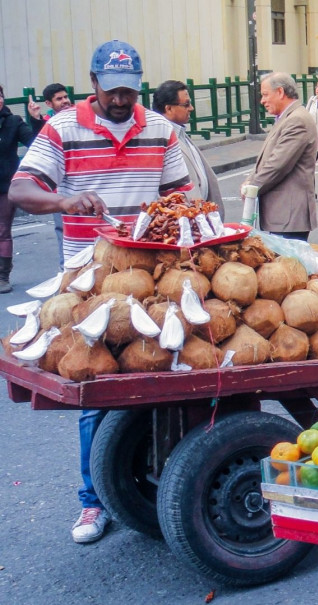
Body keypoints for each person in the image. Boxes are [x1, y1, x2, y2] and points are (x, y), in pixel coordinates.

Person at [10, 39, 191, 544]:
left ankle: (159, 482)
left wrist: (171, 215)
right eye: (111, 91)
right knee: (98, 386)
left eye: (129, 91)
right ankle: (93, 502)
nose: (120, 100)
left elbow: (179, 193)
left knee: (163, 372)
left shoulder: (159, 128)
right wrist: (66, 198)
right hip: (90, 277)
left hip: (154, 274)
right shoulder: (62, 127)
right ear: (92, 84)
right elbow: (21, 190)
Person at [245, 72, 318, 241]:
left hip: (289, 215)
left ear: (280, 92)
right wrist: (251, 178)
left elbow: (277, 165)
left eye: (265, 95)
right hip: (283, 214)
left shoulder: (296, 120)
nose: (262, 101)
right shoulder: (287, 118)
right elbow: (267, 159)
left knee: (287, 266)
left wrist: (252, 186)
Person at [152, 80, 223, 213]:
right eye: (186, 104)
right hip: (183, 218)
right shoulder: (159, 138)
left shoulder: (180, 132)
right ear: (169, 109)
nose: (191, 108)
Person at [0, 84, 45, 292]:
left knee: (3, 230)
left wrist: (36, 119)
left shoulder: (13, 122)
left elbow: (36, 143)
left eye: (0, 95)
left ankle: (3, 276)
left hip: (5, 185)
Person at [39, 82, 71, 266]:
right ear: (49, 104)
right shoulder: (47, 123)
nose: (65, 101)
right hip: (59, 190)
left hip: (83, 186)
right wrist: (37, 121)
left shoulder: (79, 119)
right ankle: (64, 268)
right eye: (59, 99)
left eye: (66, 97)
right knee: (62, 228)